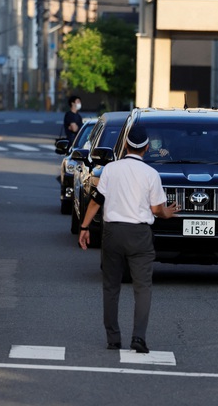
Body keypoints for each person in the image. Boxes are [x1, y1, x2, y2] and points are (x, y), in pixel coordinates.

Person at [78, 125, 177, 352]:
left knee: (111, 287)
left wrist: (84, 226)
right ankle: (138, 337)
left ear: (125, 145)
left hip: (112, 232)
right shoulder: (151, 174)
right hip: (139, 234)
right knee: (142, 287)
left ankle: (113, 338)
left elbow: (96, 201)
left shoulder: (111, 169)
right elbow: (156, 208)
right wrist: (167, 213)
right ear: (146, 148)